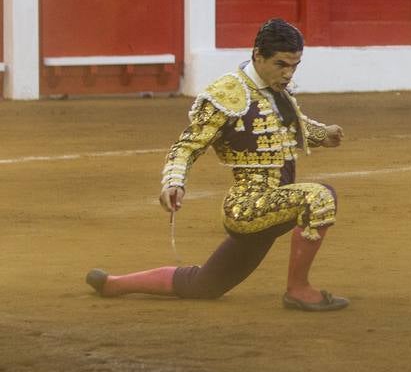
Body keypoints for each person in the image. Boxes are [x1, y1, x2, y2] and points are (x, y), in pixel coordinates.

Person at [86, 20, 349, 311]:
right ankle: (299, 290)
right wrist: (174, 182)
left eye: (294, 66)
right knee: (319, 197)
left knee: (204, 286)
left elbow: (282, 128)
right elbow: (187, 146)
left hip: (276, 202)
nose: (288, 73)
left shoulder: (275, 87)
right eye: (281, 64)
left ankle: (114, 284)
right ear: (257, 55)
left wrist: (322, 134)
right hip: (249, 207)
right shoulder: (226, 94)